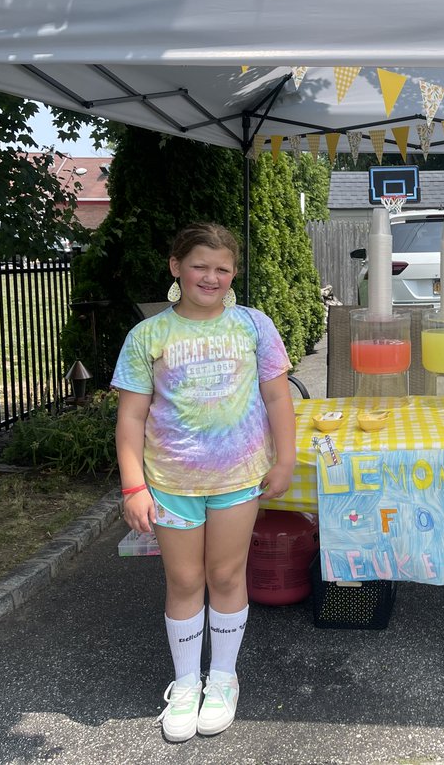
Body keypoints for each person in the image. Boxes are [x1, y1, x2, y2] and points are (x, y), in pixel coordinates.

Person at [112, 223, 297, 743]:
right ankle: (186, 681)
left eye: (222, 268)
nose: (210, 277)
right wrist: (134, 487)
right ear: (176, 268)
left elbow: (279, 398)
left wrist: (285, 459)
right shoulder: (148, 336)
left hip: (239, 479)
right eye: (199, 266)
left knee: (226, 575)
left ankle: (222, 679)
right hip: (170, 482)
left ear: (233, 274)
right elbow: (130, 418)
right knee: (185, 581)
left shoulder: (253, 326)